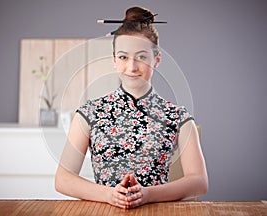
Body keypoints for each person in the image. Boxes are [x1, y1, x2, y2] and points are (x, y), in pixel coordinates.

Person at [55, 6, 208, 209]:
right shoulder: (89, 113)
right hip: (105, 211)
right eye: (123, 57)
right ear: (114, 61)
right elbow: (63, 179)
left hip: (157, 212)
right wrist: (109, 195)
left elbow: (199, 182)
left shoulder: (178, 117)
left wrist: (147, 195)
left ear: (157, 60)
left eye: (142, 57)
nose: (132, 67)